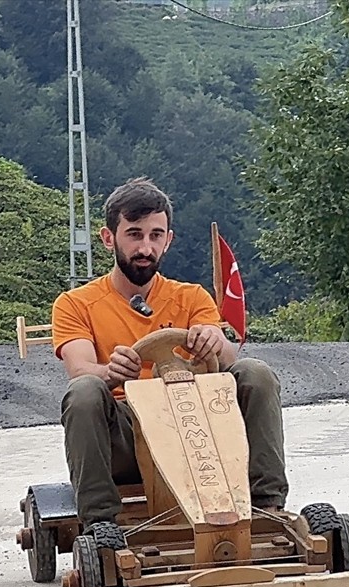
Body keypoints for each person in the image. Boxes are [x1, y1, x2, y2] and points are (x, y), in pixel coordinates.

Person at [50, 176, 289, 532]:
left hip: (196, 420)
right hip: (127, 432)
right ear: (108, 238)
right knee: (84, 391)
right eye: (134, 234)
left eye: (155, 235)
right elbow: (79, 367)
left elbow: (227, 357)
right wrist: (111, 372)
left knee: (256, 371)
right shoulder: (75, 304)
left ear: (168, 241)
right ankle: (101, 523)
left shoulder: (191, 297)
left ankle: (268, 505)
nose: (145, 247)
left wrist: (212, 339)